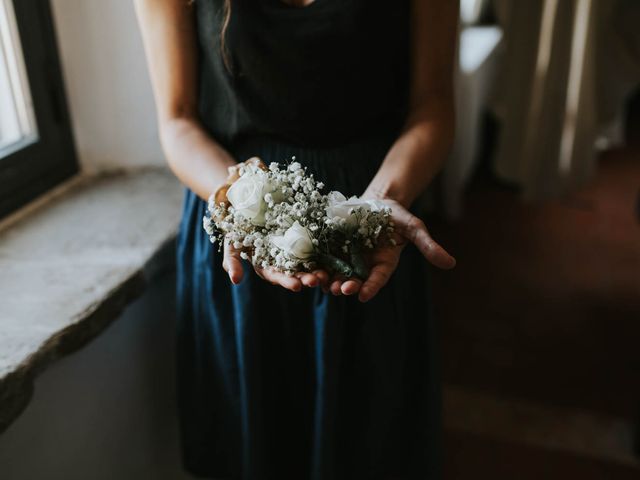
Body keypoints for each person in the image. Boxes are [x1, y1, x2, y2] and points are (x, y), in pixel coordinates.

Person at [135, 1, 458, 478]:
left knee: (369, 444)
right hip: (243, 245)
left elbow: (433, 104)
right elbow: (177, 119)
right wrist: (242, 199)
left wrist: (377, 204)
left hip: (367, 237)